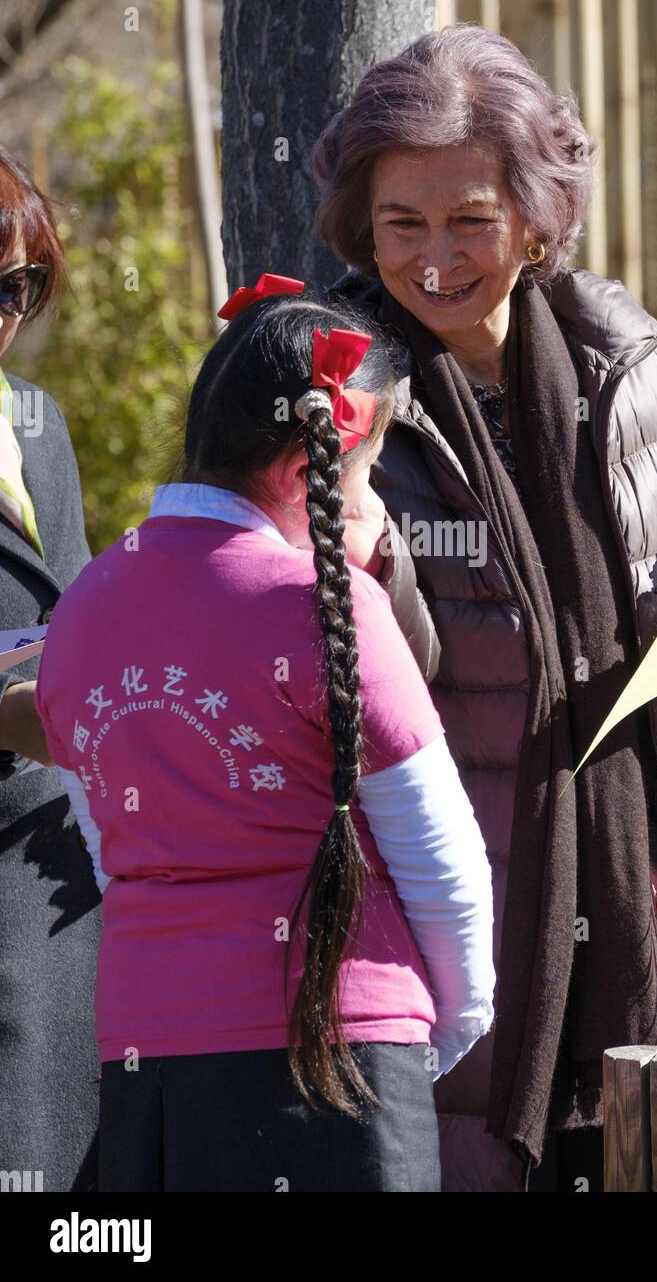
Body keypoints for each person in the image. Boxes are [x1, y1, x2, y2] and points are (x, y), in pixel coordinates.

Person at [311, 22, 657, 1192]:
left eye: (471, 220)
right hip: (465, 915)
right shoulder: (337, 392)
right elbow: (351, 687)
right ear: (360, 225)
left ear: (538, 215)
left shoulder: (622, 353)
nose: (434, 257)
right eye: (401, 223)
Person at [34, 281, 495, 1192]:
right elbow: (442, 858)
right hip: (343, 1065)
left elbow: (105, 844)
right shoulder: (330, 607)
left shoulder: (84, 607)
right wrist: (453, 1021)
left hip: (151, 1063)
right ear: (303, 474)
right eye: (364, 479)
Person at [0, 146, 100, 1192]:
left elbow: (68, 606)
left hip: (54, 852)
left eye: (20, 287)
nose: (3, 311)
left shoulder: (36, 423)